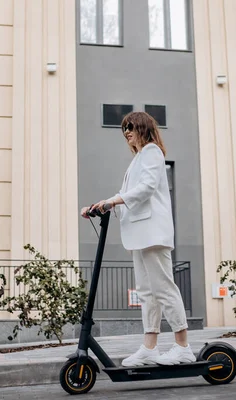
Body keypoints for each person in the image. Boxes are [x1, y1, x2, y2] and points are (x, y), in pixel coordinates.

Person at [80, 111, 195, 366]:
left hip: (152, 233)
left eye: (131, 127)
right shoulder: (137, 160)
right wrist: (100, 206)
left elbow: (146, 188)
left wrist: (113, 201)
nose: (127, 133)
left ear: (144, 127)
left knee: (164, 288)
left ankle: (183, 346)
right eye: (124, 129)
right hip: (140, 235)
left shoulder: (152, 152)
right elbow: (127, 195)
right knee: (146, 292)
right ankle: (150, 347)